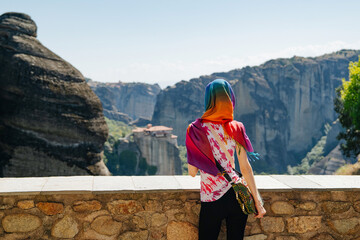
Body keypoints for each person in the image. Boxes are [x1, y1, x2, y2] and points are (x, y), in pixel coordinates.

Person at [185, 79, 266, 240]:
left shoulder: (195, 130)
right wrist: (257, 201)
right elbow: (245, 167)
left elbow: (192, 172)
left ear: (208, 100)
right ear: (230, 99)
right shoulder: (237, 127)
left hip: (212, 197)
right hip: (237, 194)